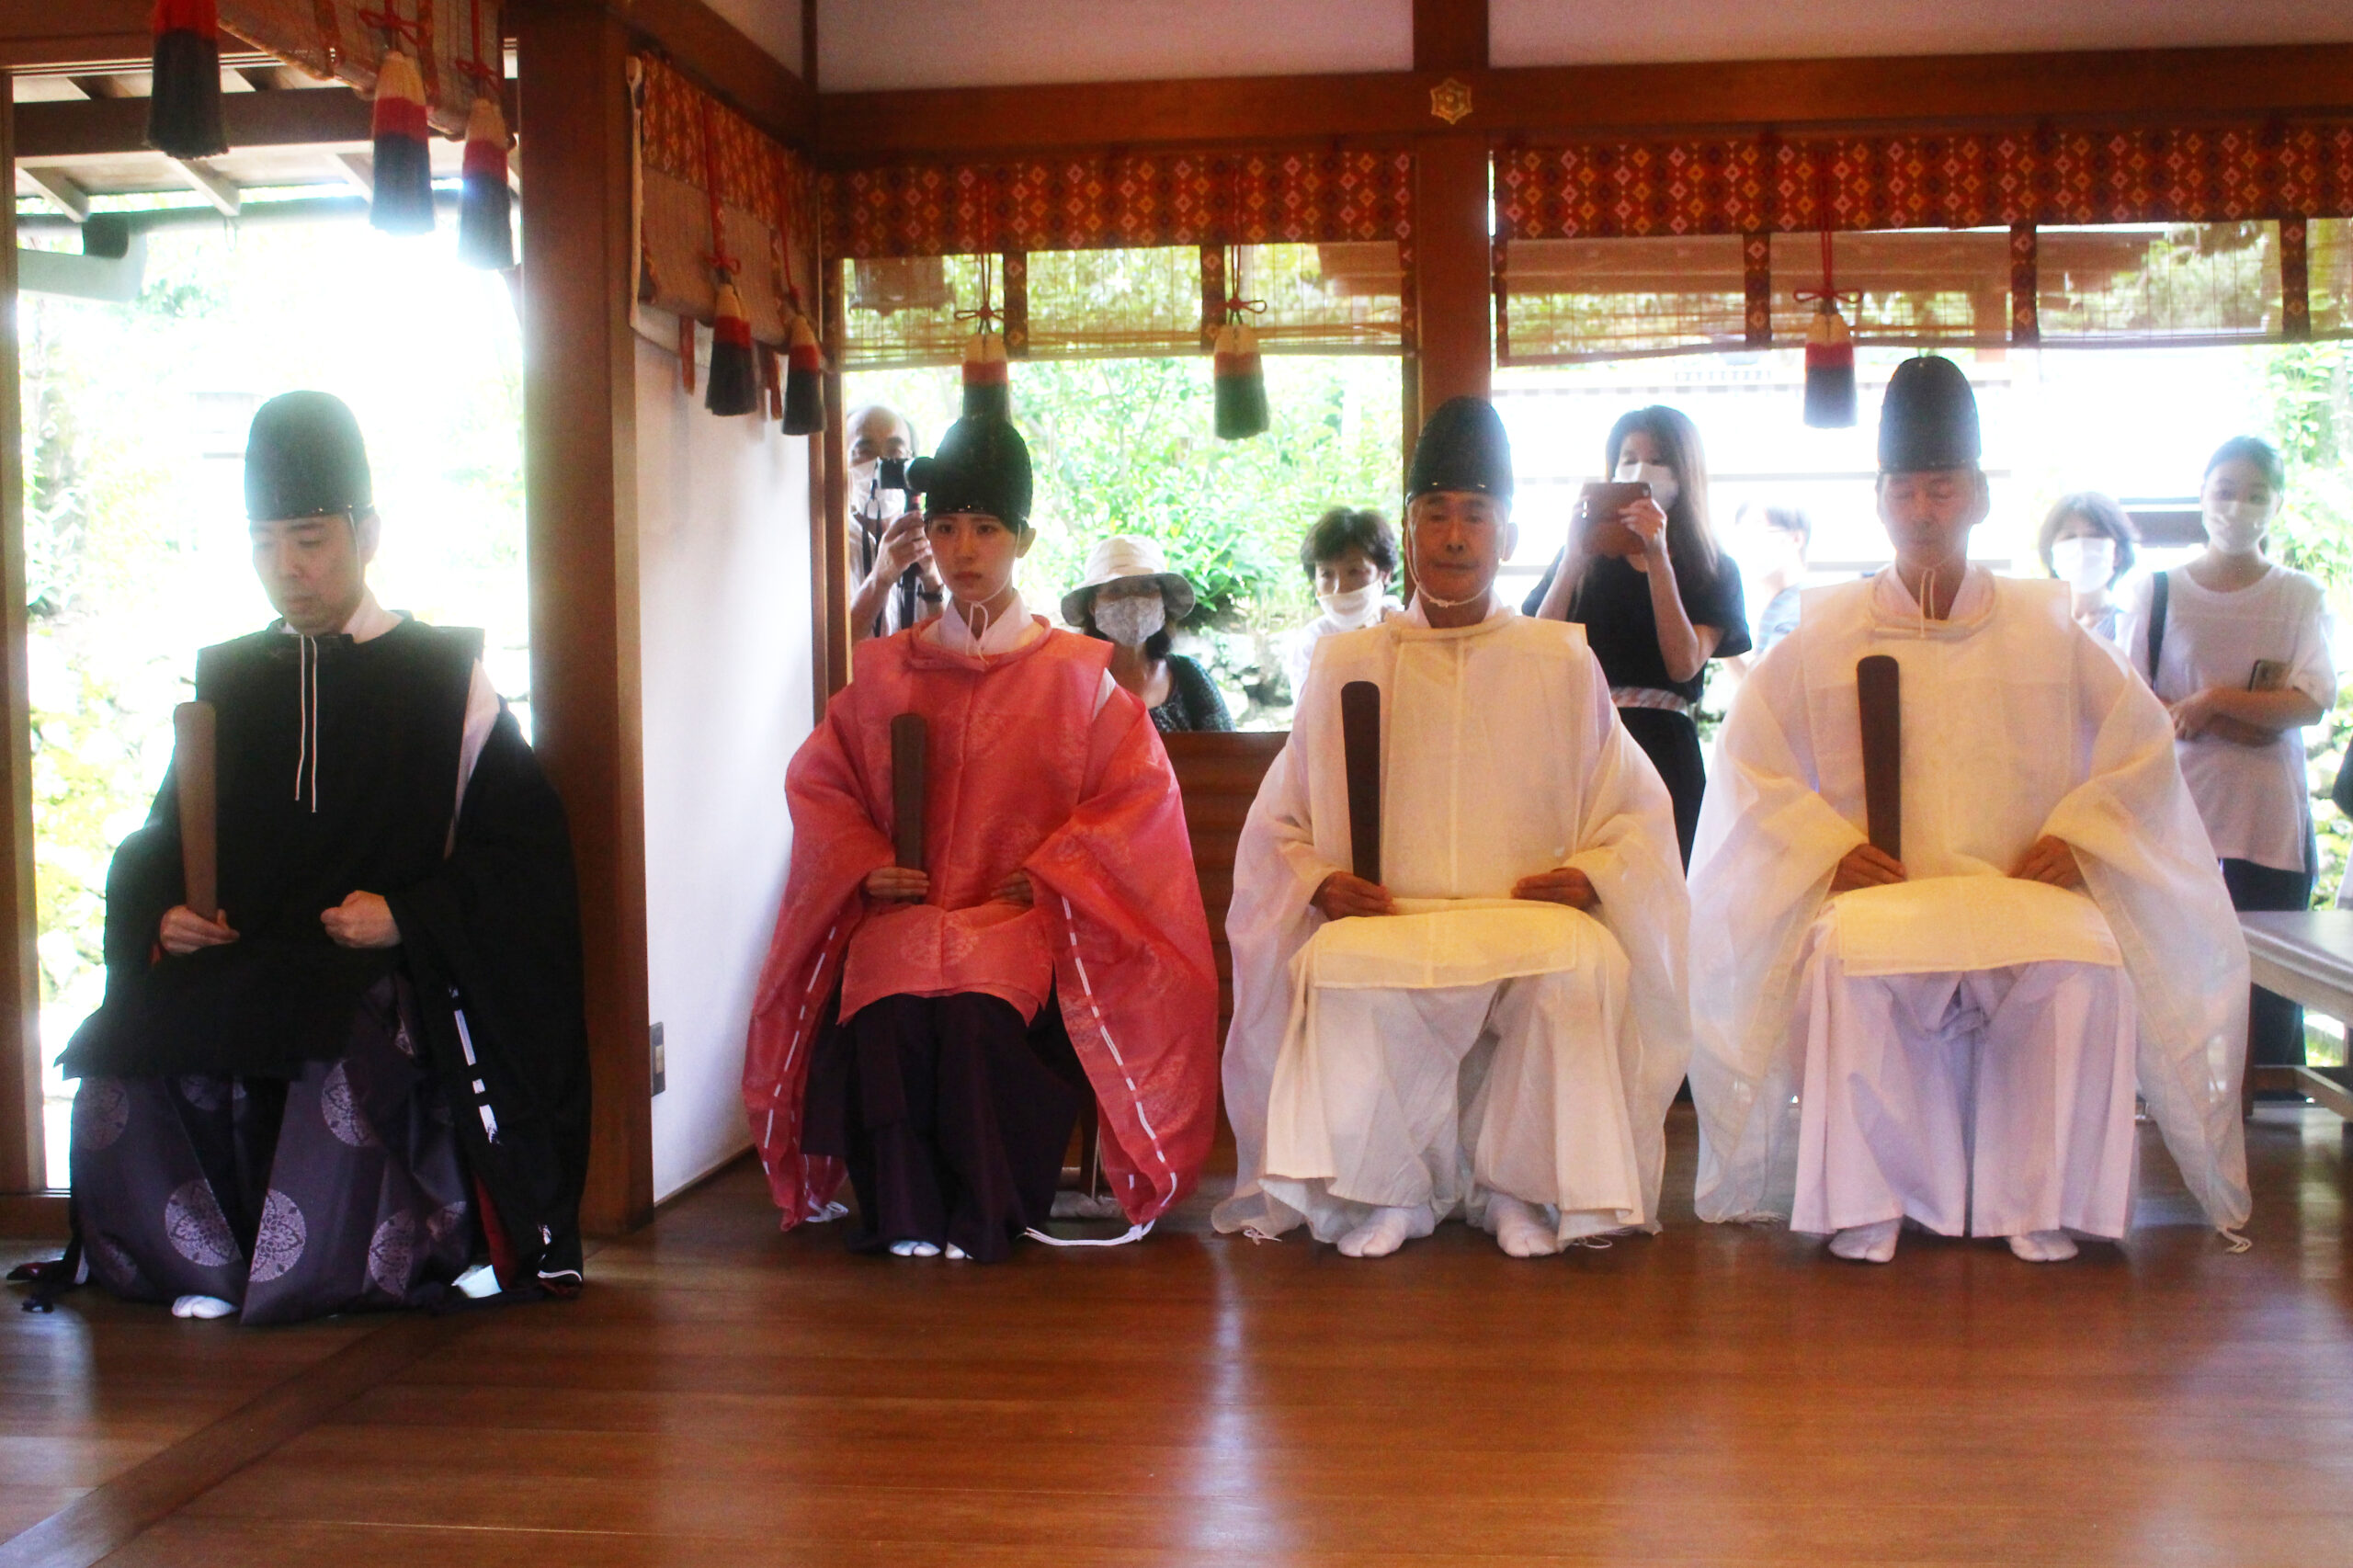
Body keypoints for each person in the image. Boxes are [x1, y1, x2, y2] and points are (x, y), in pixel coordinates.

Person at [35, 392, 591, 1324]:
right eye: (263, 544)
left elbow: (525, 856)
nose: (285, 569)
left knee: (334, 1041)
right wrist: (163, 909)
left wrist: (409, 915)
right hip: (243, 951)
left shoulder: (443, 678)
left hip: (369, 968)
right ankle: (199, 1266)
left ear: (365, 533)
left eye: (309, 540)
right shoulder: (230, 677)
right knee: (126, 1041)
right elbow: (162, 835)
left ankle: (322, 1270)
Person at [1688, 357, 2251, 1267]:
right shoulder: (1826, 630)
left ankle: (2043, 1198)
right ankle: (1872, 1200)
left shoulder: (2043, 625)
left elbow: (2141, 744)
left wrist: (2083, 837)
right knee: (1845, 948)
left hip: (2018, 889)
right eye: (1903, 489)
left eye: (1940, 488)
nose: (1921, 509)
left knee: (2088, 950)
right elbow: (1747, 764)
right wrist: (1826, 850)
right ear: (1877, 501)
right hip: (1886, 893)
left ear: (1978, 497)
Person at [1214, 396, 1689, 1260]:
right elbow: (1280, 819)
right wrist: (1319, 881)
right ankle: (1391, 1196)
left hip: (1524, 917)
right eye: (1436, 515)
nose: (1456, 536)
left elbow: (1634, 811)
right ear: (1411, 530)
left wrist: (1592, 873)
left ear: (1507, 537)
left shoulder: (1559, 658)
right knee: (1339, 962)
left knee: (1583, 964)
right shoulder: (1349, 661)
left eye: (1475, 515)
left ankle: (1519, 1194)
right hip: (1396, 914)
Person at [741, 415, 1220, 1261]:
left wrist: (1057, 871)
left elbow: (1138, 799)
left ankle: (990, 1212)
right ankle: (902, 1214)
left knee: (974, 1019)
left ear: (1023, 540)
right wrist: (866, 864)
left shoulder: (1081, 677)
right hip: (910, 910)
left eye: (987, 529)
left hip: (1015, 920)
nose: (965, 549)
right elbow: (823, 782)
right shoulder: (889, 668)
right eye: (948, 527)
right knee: (884, 1012)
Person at [2122, 437, 2334, 1077]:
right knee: (2173, 975)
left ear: (2277, 504)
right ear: (2202, 496)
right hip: (2180, 816)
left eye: (2255, 494)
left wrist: (2215, 702)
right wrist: (2237, 715)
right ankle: (2170, 1108)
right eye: (2224, 492)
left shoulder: (2300, 596)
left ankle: (2274, 1122)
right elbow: (2131, 699)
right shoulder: (2158, 590)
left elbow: (2309, 700)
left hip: (2268, 823)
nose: (2238, 507)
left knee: (2270, 989)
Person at [1526, 406, 1751, 864]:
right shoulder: (1580, 561)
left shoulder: (1712, 567)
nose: (1640, 471)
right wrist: (1573, 558)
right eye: (1628, 458)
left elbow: (1683, 662)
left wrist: (1658, 559)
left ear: (1685, 473)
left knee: (1668, 890)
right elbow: (1539, 648)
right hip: (1586, 743)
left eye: (1659, 460)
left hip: (1665, 749)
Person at [1061, 535, 1233, 733]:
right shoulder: (1075, 686)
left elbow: (1229, 756)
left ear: (1162, 600)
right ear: (1092, 606)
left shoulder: (1189, 678)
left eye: (1145, 587)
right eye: (1116, 590)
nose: (1133, 600)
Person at [1279, 506, 1406, 697]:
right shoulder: (1312, 643)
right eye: (1326, 574)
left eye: (1354, 571)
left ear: (1385, 573)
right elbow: (1309, 721)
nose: (1339, 588)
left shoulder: (1410, 629)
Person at [845, 404, 944, 644]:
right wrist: (880, 579)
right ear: (842, 459)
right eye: (864, 451)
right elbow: (832, 653)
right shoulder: (827, 546)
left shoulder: (935, 537)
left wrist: (932, 580)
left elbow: (956, 650)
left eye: (895, 452)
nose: (881, 464)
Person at [2039, 491, 2138, 642]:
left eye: (2094, 535)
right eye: (2070, 537)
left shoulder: (2133, 629)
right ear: (2051, 554)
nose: (2082, 547)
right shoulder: (2037, 629)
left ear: (2117, 554)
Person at [1737, 503, 1811, 657]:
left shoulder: (1804, 606)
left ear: (1796, 538)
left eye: (1758, 526)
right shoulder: (1764, 605)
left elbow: (1769, 679)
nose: (1748, 541)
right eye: (1742, 531)